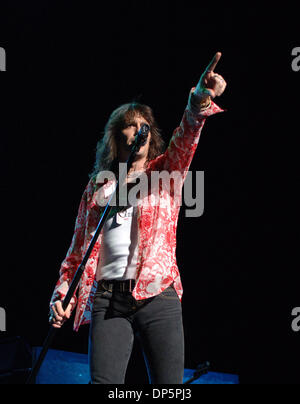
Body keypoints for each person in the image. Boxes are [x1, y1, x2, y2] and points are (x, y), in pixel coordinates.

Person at [49, 52, 227, 384]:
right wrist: (63, 293)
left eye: (143, 125)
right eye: (130, 126)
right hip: (109, 295)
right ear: (118, 137)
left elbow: (186, 138)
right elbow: (78, 250)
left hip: (159, 294)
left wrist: (197, 105)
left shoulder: (165, 172)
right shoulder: (97, 188)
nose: (138, 130)